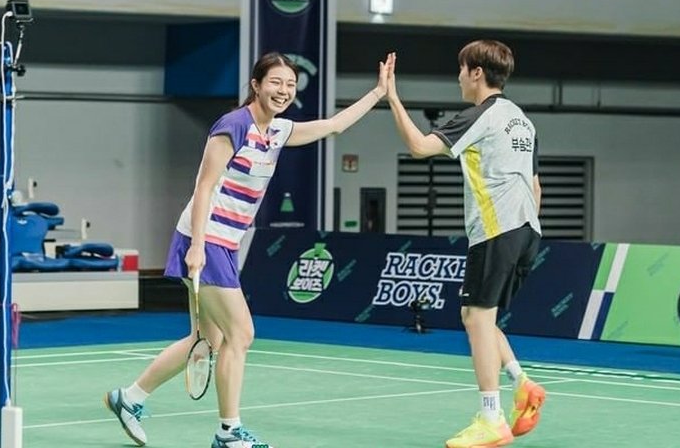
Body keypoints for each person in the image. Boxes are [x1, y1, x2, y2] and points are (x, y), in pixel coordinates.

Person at [105, 51, 393, 448]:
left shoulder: (277, 131)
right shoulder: (233, 125)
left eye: (291, 85)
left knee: (205, 340)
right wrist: (198, 248)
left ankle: (129, 398)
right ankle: (228, 433)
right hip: (205, 240)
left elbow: (333, 125)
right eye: (276, 82)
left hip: (226, 243)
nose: (284, 91)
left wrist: (378, 92)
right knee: (241, 334)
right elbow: (203, 186)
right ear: (256, 85)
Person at [383, 41, 546, 448]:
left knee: (475, 319)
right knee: (479, 316)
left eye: (461, 69)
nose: (458, 77)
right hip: (528, 229)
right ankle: (522, 384)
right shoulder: (521, 120)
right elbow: (536, 184)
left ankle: (491, 418)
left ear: (476, 73)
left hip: (496, 230)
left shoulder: (480, 116)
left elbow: (419, 148)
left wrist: (391, 97)